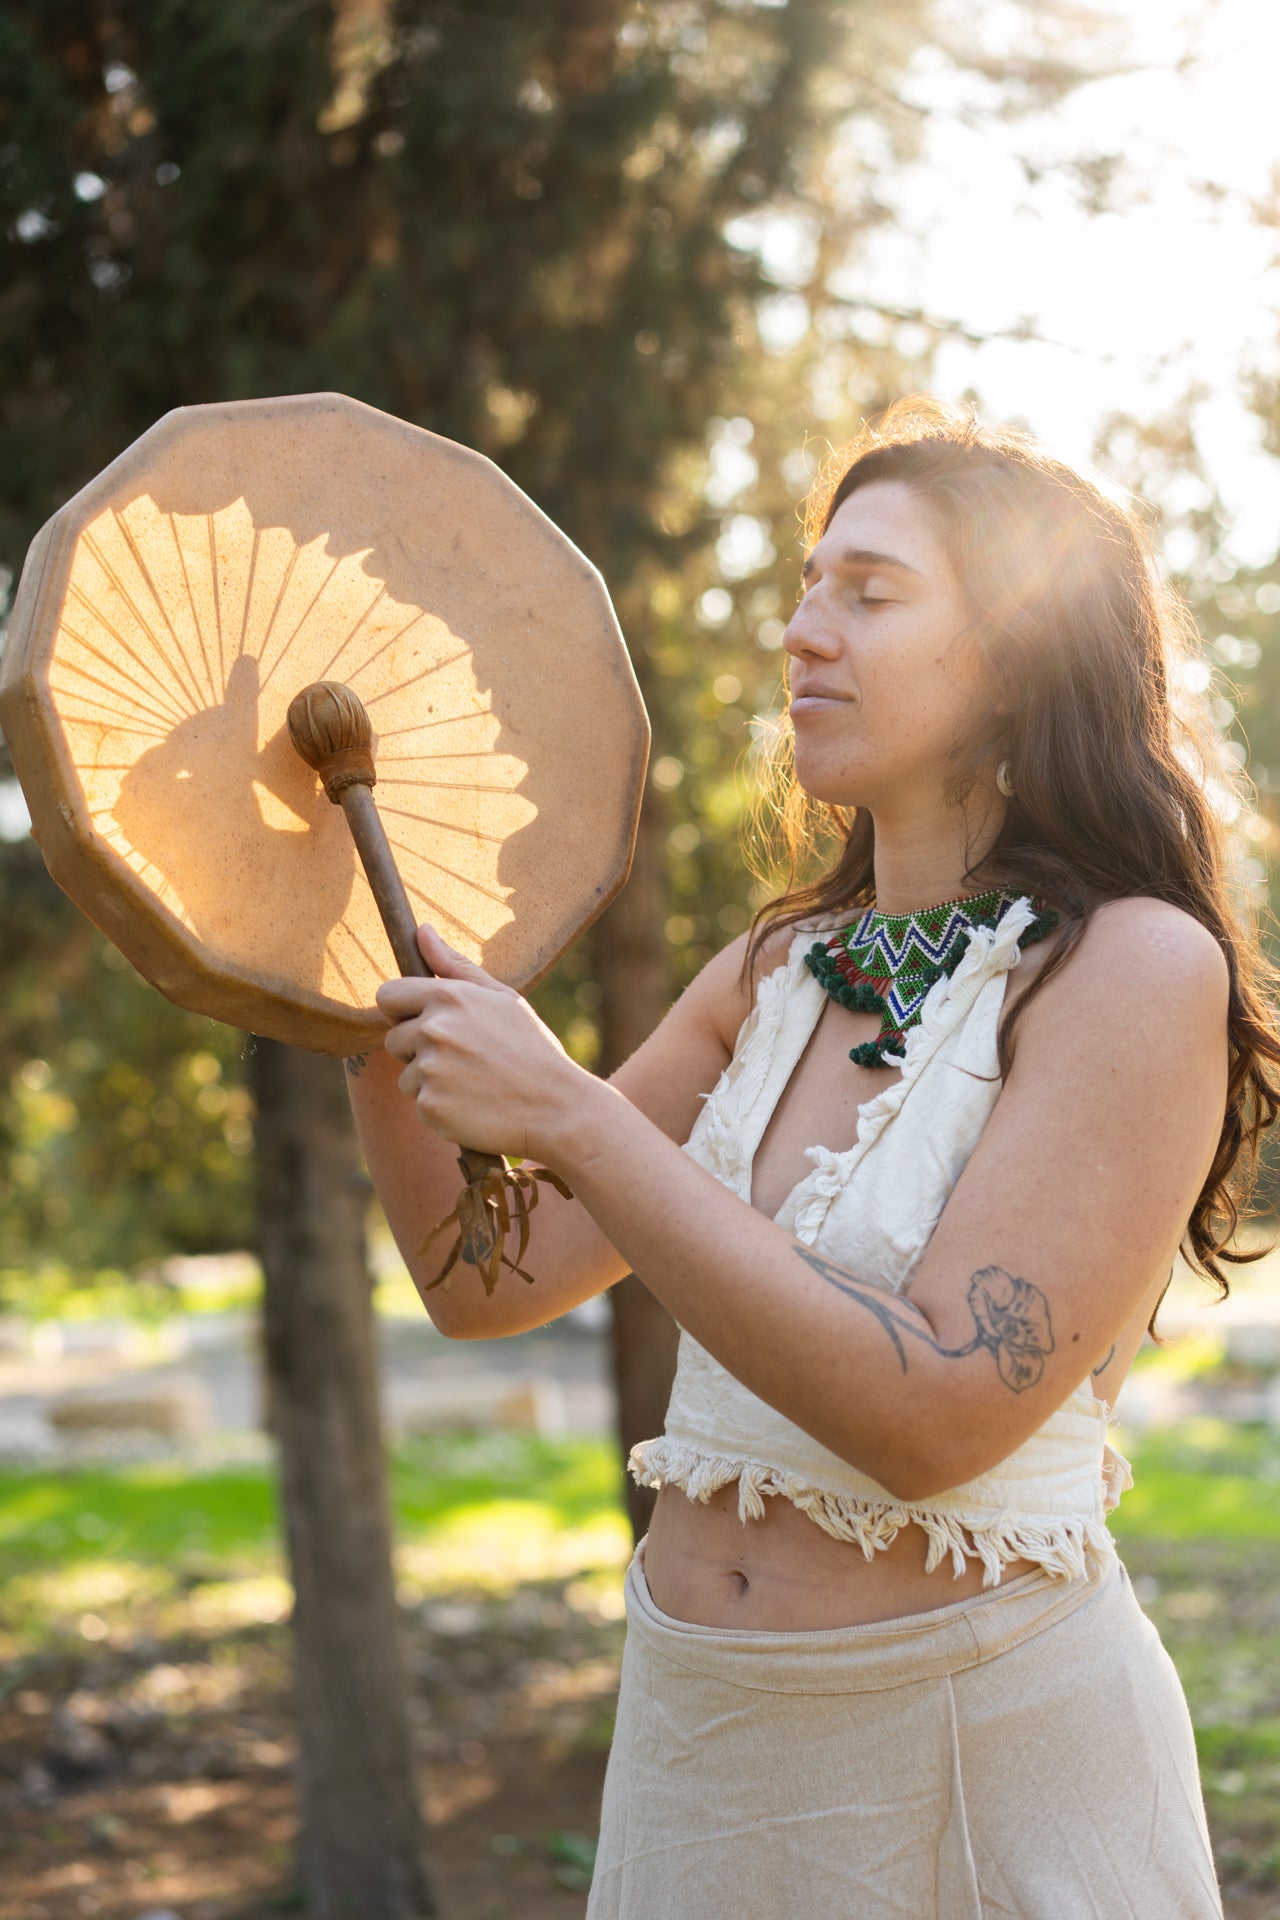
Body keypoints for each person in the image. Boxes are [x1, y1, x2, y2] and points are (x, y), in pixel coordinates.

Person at [348, 397, 1280, 1917]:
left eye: (872, 592)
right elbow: (490, 1279)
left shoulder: (1131, 966)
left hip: (979, 1747)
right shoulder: (774, 968)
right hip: (701, 1753)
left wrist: (571, 1112)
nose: (802, 630)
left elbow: (938, 1419)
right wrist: (347, 975)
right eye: (808, 585)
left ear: (1016, 662)